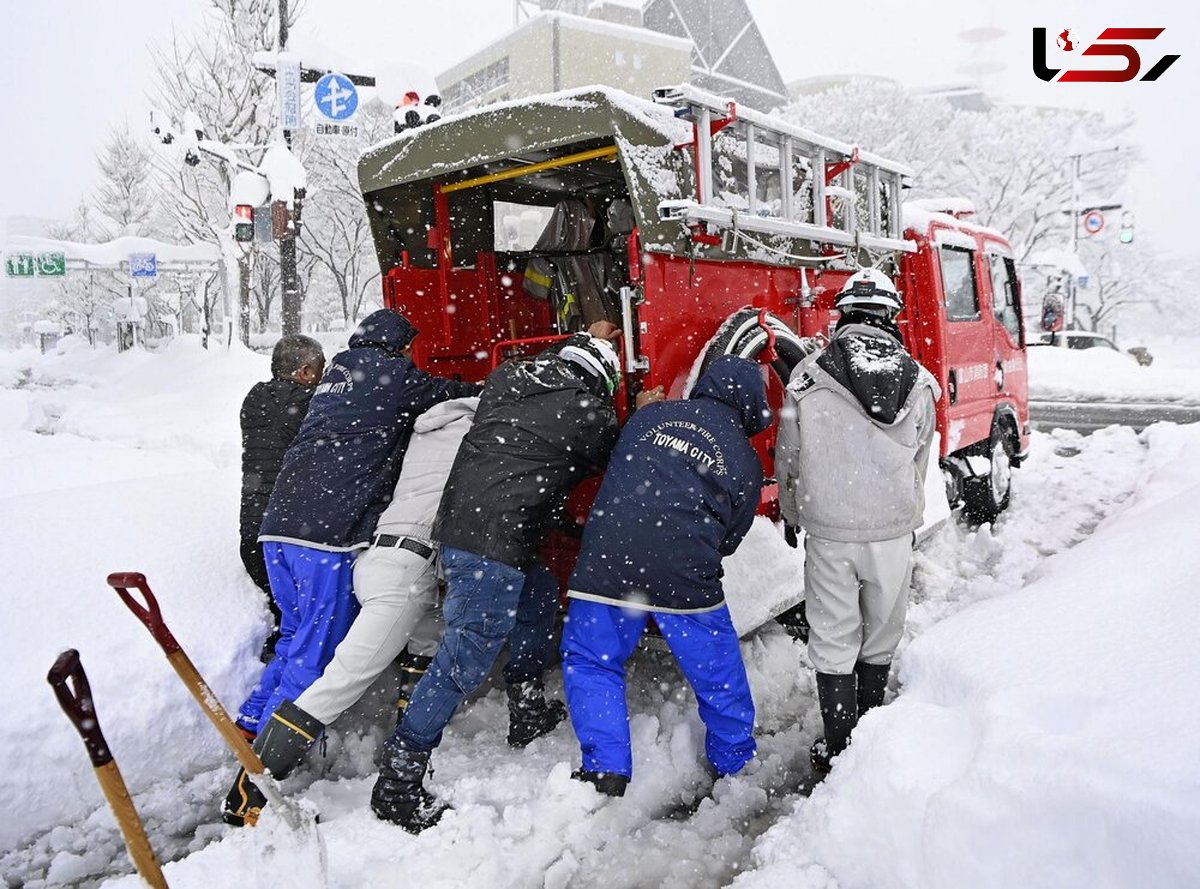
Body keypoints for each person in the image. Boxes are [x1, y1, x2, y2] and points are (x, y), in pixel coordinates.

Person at [370, 321, 664, 832]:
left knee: (538, 598)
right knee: (464, 658)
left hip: (471, 526)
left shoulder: (510, 377)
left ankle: (525, 707)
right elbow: (624, 458)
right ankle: (398, 778)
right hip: (493, 543)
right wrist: (641, 415)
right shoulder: (586, 413)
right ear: (598, 381)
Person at [223, 308, 481, 826]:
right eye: (407, 350)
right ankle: (252, 788)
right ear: (397, 348)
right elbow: (453, 392)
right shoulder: (390, 375)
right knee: (318, 657)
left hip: (276, 527)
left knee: (295, 636)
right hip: (326, 536)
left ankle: (251, 727)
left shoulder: (336, 375)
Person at [561, 355, 771, 797]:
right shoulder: (745, 460)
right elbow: (729, 540)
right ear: (752, 405)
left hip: (605, 562)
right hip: (683, 574)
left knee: (591, 661)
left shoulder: (649, 417)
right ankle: (733, 762)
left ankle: (605, 770)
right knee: (717, 670)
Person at [775, 268, 940, 777]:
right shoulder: (921, 382)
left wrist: (793, 511)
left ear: (842, 313)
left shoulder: (806, 376)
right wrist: (903, 512)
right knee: (882, 632)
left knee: (832, 633)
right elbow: (920, 459)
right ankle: (869, 738)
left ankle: (841, 745)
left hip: (829, 530)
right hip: (891, 530)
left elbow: (789, 457)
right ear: (891, 315)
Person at [239, 334, 325, 660]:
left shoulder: (254, 398)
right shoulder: (309, 404)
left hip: (252, 533)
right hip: (290, 532)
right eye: (320, 369)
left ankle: (279, 665)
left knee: (286, 615)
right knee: (308, 619)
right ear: (304, 373)